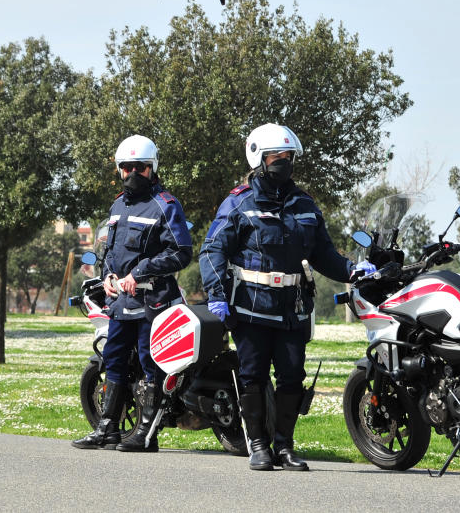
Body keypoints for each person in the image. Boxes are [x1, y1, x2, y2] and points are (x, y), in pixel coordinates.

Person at [199, 123, 355, 471]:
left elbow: (325, 255)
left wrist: (355, 271)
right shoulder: (238, 202)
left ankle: (284, 446)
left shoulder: (304, 204)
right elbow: (212, 251)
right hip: (251, 308)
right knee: (252, 375)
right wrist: (217, 294)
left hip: (293, 309)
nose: (282, 163)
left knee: (291, 377)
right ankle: (258, 445)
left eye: (288, 157)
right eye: (275, 157)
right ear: (258, 158)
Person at [72, 135, 193, 452]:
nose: (133, 173)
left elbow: (181, 252)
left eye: (140, 167)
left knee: (148, 363)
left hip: (154, 301)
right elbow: (109, 251)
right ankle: (108, 428)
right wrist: (109, 276)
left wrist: (139, 273)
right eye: (127, 167)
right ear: (119, 169)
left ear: (152, 169)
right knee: (113, 359)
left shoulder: (165, 205)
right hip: (121, 301)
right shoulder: (117, 206)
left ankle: (146, 432)